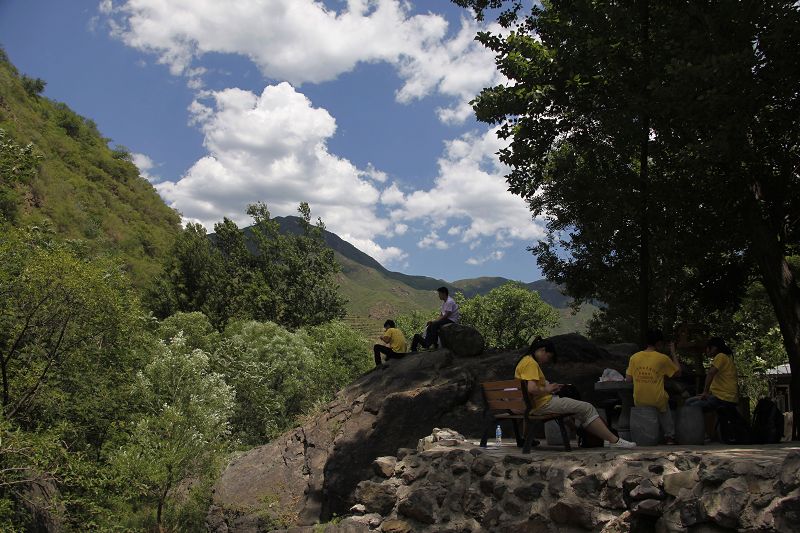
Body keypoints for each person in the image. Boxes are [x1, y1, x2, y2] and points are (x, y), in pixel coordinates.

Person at [515, 337, 636, 448]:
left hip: (534, 405)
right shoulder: (531, 363)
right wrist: (547, 389)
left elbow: (530, 387)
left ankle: (597, 437)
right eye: (548, 356)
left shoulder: (524, 361)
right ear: (542, 350)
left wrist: (550, 387)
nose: (546, 360)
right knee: (587, 408)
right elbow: (531, 389)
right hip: (542, 405)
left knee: (578, 410)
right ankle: (614, 441)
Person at [626, 330, 681, 445]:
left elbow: (629, 379)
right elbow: (678, 373)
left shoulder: (634, 358)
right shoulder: (662, 358)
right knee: (664, 403)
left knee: (653, 401)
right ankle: (669, 437)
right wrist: (673, 352)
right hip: (656, 399)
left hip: (639, 399)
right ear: (659, 343)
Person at [684, 337, 738, 409]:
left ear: (714, 348)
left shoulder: (720, 356)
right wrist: (709, 393)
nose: (706, 351)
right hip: (722, 396)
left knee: (691, 406)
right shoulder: (725, 358)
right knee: (689, 401)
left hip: (723, 397)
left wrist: (705, 392)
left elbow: (710, 373)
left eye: (707, 348)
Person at [410, 286, 460, 351]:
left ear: (444, 293)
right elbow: (442, 315)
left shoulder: (449, 301)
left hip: (451, 320)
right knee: (431, 324)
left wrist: (435, 322)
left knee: (434, 325)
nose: (439, 296)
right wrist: (433, 321)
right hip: (447, 319)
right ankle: (427, 343)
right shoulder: (444, 302)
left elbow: (447, 315)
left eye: (439, 294)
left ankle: (434, 344)